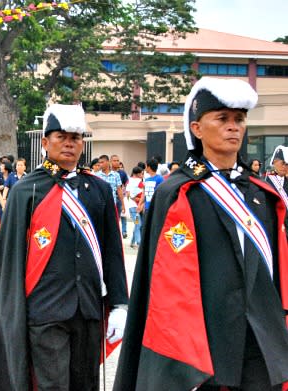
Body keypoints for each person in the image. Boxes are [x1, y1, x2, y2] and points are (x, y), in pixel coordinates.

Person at [114, 77, 288, 390]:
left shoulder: (260, 194)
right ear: (196, 128)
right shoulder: (179, 192)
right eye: (222, 119)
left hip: (260, 342)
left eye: (239, 119)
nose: (233, 127)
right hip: (203, 345)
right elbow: (165, 285)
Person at [0, 104, 128, 391]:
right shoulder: (26, 190)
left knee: (85, 385)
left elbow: (112, 252)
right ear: (45, 142)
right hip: (45, 309)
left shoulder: (97, 189)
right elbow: (12, 258)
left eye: (76, 137)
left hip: (88, 308)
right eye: (62, 137)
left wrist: (120, 304)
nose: (70, 143)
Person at [265, 146, 288, 229]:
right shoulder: (266, 181)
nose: (285, 167)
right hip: (273, 224)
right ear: (274, 162)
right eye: (283, 163)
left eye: (287, 164)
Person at [95, 154, 124, 219]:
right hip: (100, 205)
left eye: (102, 162)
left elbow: (119, 190)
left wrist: (123, 204)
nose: (100, 164)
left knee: (113, 225)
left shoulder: (116, 175)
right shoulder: (96, 175)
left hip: (112, 204)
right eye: (99, 163)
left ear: (108, 162)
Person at [126, 166, 144, 249]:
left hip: (133, 206)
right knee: (138, 224)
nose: (142, 175)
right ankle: (139, 242)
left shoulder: (129, 181)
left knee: (137, 224)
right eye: (141, 173)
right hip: (135, 207)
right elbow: (144, 192)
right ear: (138, 174)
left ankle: (133, 242)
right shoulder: (138, 181)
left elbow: (128, 194)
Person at [111, 154, 129, 239]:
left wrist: (123, 203)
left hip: (118, 198)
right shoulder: (106, 173)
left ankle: (119, 234)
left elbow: (124, 185)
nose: (116, 162)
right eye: (114, 160)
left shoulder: (122, 173)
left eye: (118, 160)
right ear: (110, 162)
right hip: (109, 199)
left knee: (117, 218)